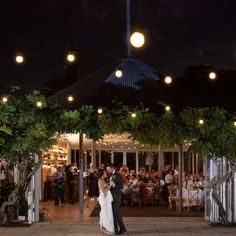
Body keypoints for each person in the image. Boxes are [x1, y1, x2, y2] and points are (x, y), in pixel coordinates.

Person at [107, 163, 127, 235]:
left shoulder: (118, 175)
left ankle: (122, 228)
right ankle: (115, 228)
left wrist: (114, 184)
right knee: (113, 213)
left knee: (117, 212)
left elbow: (121, 186)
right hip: (111, 196)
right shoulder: (110, 175)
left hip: (117, 196)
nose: (108, 170)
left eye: (109, 169)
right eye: (107, 169)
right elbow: (109, 184)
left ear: (112, 168)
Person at [97, 169, 114, 234]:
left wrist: (108, 183)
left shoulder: (102, 180)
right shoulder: (100, 181)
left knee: (106, 212)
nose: (105, 174)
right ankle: (106, 227)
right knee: (105, 213)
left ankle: (104, 226)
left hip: (105, 198)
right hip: (104, 198)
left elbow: (105, 187)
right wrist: (110, 185)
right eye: (104, 173)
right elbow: (104, 191)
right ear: (101, 174)